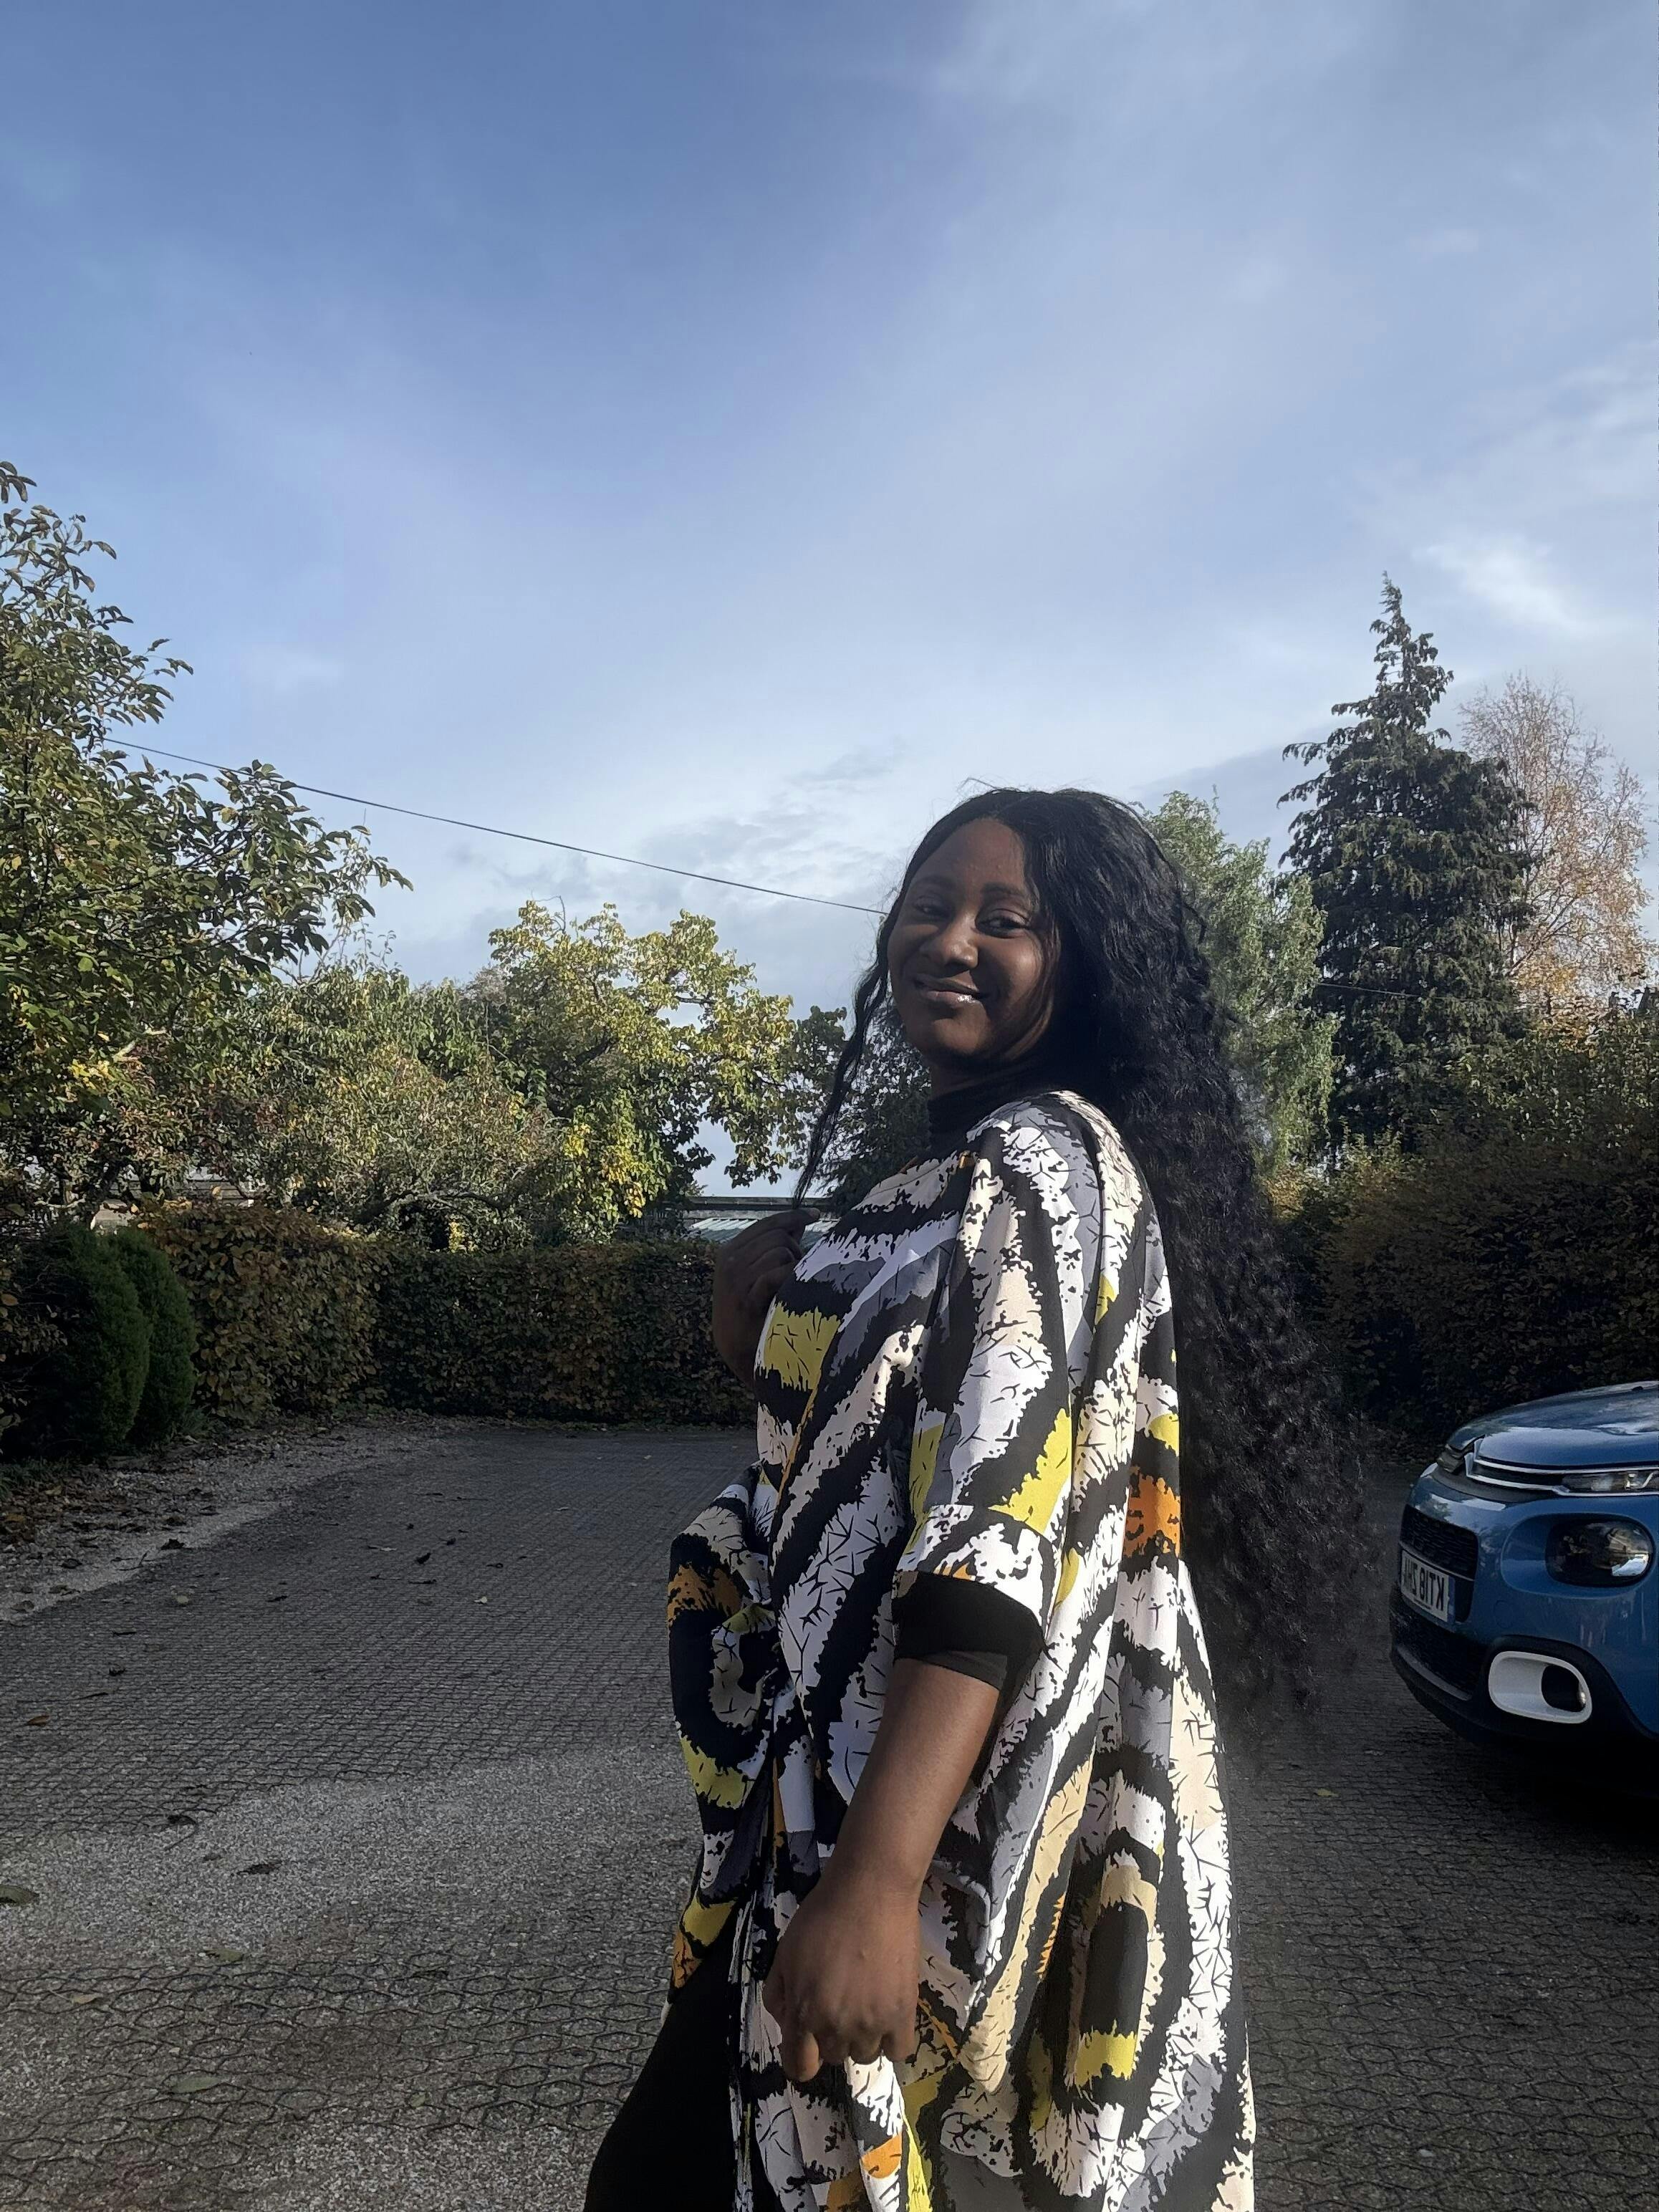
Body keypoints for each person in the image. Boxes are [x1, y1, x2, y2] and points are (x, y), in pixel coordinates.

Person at [586, 787, 1355, 2212]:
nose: (950, 939)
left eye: (1007, 919)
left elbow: (995, 1532)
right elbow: (886, 1461)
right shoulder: (953, 1178)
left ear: (1082, 961)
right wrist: (767, 1331)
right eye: (929, 905)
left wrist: (878, 1883)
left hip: (926, 1827)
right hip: (841, 1804)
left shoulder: (1039, 1162)